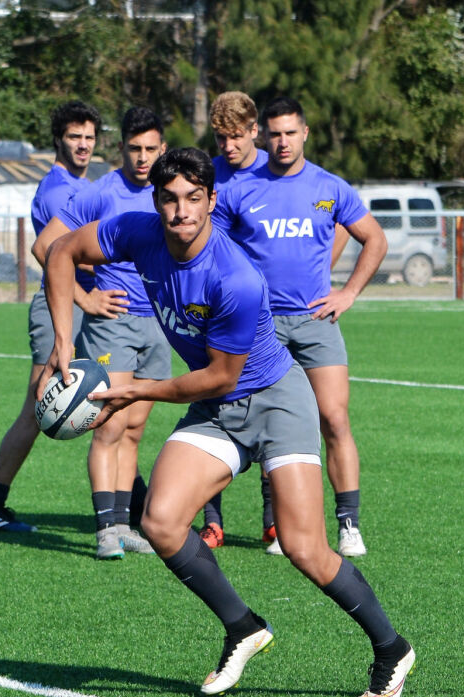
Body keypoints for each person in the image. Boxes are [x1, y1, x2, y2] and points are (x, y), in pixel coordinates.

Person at [40, 147, 415, 697]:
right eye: (169, 199)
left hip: (275, 400)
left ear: (212, 202)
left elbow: (218, 377)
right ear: (155, 201)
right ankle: (243, 626)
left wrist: (137, 391)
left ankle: (390, 647)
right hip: (220, 410)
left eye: (194, 198)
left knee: (302, 547)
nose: (181, 211)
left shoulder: (234, 277)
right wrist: (65, 340)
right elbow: (61, 251)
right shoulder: (136, 232)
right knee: (161, 523)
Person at [214, 96, 387, 559]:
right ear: (263, 136)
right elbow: (213, 250)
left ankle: (348, 525)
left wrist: (348, 293)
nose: (282, 141)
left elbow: (375, 238)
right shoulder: (240, 190)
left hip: (315, 322)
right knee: (267, 421)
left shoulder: (329, 187)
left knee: (334, 418)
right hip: (260, 326)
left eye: (291, 132)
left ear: (305, 133)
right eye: (275, 133)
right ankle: (281, 525)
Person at [0, 100, 129, 534]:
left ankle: (135, 505)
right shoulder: (60, 190)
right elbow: (47, 252)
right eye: (75, 136)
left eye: (89, 137)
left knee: (111, 402)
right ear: (58, 139)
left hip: (85, 304)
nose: (82, 145)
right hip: (62, 305)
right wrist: (87, 300)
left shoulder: (86, 182)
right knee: (38, 408)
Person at [33, 107, 169, 560]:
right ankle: (104, 530)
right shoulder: (100, 192)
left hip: (159, 325)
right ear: (122, 148)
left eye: (151, 148)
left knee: (134, 428)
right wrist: (85, 300)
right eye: (134, 148)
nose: (143, 157)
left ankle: (125, 523)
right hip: (113, 327)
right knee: (107, 427)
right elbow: (46, 247)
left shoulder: (170, 193)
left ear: (162, 149)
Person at [187, 91, 270, 550]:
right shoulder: (208, 177)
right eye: (221, 138)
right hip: (215, 312)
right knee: (213, 410)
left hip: (265, 312)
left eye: (236, 137)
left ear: (253, 129)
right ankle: (212, 520)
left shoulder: (272, 174)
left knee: (271, 416)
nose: (228, 146)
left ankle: (272, 520)